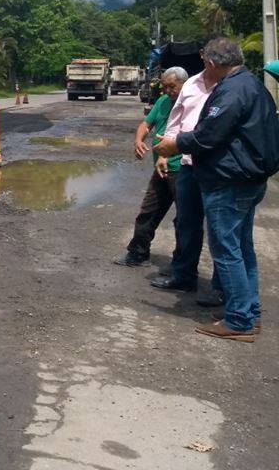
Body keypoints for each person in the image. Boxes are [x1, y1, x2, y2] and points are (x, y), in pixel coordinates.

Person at [156, 37, 279, 342]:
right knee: (242, 249)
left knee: (227, 252)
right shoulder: (251, 85)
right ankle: (248, 312)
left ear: (210, 62)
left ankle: (239, 320)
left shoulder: (232, 91)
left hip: (229, 181)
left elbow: (208, 135)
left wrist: (175, 144)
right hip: (247, 179)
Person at [150, 55, 221, 300]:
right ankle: (184, 276)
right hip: (187, 165)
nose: (168, 91)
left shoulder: (227, 88)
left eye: (172, 86)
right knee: (187, 224)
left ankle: (221, 287)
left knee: (220, 230)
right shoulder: (192, 85)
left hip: (214, 167)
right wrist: (164, 155)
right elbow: (175, 121)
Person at [113, 67, 185, 267]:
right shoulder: (163, 102)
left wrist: (167, 153)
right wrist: (138, 140)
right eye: (165, 87)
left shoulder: (190, 103)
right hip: (161, 168)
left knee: (185, 220)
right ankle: (137, 253)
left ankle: (182, 267)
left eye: (172, 86)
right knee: (148, 211)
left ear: (184, 84)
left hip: (181, 169)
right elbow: (146, 124)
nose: (168, 91)